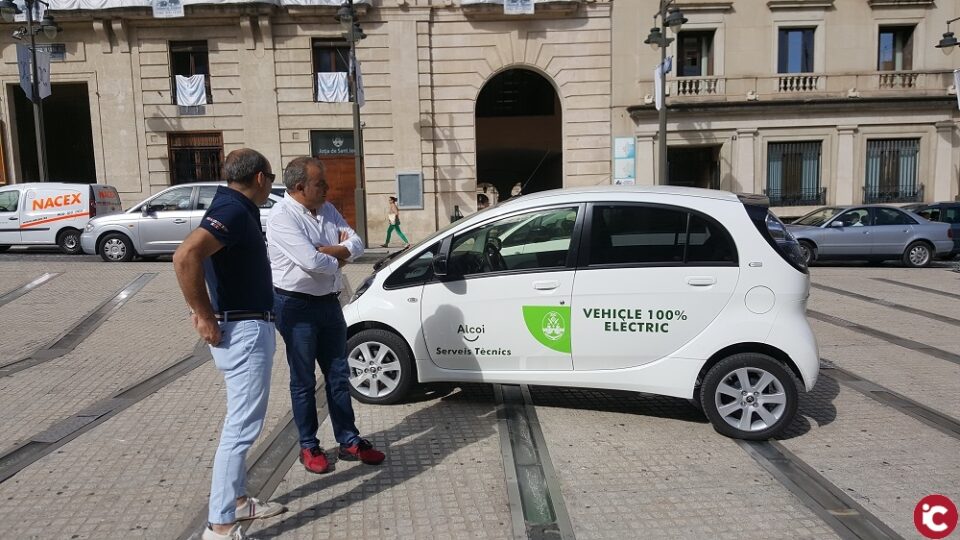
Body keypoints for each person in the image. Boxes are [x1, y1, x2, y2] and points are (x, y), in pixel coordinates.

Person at [173, 148, 285, 540]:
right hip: (244, 330)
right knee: (240, 429)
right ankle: (220, 524)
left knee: (240, 423)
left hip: (244, 327)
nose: (271, 185)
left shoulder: (233, 207)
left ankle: (237, 502)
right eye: (271, 178)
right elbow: (186, 256)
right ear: (259, 178)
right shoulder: (234, 210)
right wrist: (201, 313)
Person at [267, 156, 386, 475]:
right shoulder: (281, 218)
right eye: (321, 183)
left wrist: (327, 251)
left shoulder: (328, 209)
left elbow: (358, 243)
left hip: (329, 303)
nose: (327, 188)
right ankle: (309, 445)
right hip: (296, 306)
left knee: (338, 373)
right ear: (299, 187)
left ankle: (349, 439)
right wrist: (338, 255)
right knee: (303, 380)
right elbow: (310, 262)